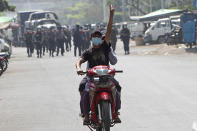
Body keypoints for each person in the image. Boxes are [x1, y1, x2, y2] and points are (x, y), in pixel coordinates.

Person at [76, 5, 121, 125]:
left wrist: (111, 15)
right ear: (91, 39)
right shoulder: (88, 51)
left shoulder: (105, 47)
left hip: (106, 77)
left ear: (101, 39)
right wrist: (79, 68)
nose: (96, 39)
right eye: (94, 37)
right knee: (84, 90)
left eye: (98, 37)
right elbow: (80, 60)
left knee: (117, 88)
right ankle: (86, 115)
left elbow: (109, 30)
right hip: (91, 77)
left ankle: (116, 112)